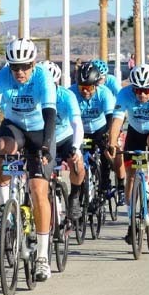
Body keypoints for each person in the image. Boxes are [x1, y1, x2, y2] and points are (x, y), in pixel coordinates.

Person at [0, 38, 57, 282]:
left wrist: (44, 146)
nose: (19, 72)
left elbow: (50, 114)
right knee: (1, 147)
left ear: (33, 63)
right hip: (14, 127)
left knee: (37, 190)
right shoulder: (2, 77)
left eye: (24, 66)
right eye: (15, 67)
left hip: (40, 132)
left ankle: (42, 257)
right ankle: (4, 207)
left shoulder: (43, 78)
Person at [105, 64, 149, 245]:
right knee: (131, 177)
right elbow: (117, 120)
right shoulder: (124, 93)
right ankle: (131, 223)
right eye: (137, 90)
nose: (142, 95)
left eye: (146, 90)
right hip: (135, 131)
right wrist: (112, 144)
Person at [69, 62, 123, 207]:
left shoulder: (104, 93)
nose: (85, 91)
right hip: (81, 130)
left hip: (101, 127)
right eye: (82, 87)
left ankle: (105, 184)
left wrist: (109, 136)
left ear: (96, 85)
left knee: (106, 152)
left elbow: (111, 117)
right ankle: (81, 188)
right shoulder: (71, 93)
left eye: (89, 88)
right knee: (78, 158)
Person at [41, 61, 85, 220]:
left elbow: (76, 123)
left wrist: (76, 147)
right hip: (43, 138)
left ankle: (74, 197)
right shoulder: (35, 95)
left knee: (78, 165)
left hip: (65, 137)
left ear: (57, 82)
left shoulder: (67, 96)